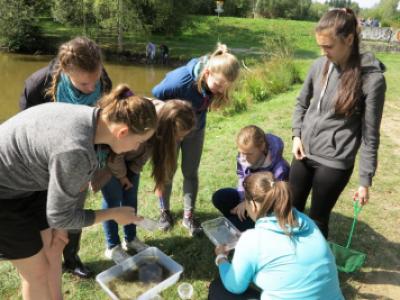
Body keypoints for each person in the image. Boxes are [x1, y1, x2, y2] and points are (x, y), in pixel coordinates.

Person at [0, 84, 157, 300]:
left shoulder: (93, 119)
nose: (135, 148)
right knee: (37, 274)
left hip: (29, 180)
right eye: (138, 142)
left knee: (53, 252)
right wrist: (113, 213)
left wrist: (63, 223)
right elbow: (60, 216)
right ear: (122, 132)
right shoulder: (76, 150)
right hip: (4, 195)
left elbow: (68, 182)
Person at [19, 36, 112, 278]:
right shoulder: (37, 85)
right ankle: (44, 262)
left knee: (74, 212)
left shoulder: (102, 78)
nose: (93, 88)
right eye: (83, 85)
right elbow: (25, 132)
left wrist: (91, 166)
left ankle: (71, 258)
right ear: (66, 69)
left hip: (81, 158)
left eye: (95, 81)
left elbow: (104, 122)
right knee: (46, 216)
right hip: (43, 163)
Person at [290, 8, 386, 238]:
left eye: (329, 47)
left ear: (349, 39)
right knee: (289, 211)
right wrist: (296, 135)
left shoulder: (372, 81)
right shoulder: (318, 65)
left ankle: (316, 270)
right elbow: (301, 103)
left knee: (317, 220)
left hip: (334, 162)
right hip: (303, 152)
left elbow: (370, 135)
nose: (323, 52)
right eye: (320, 46)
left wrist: (365, 181)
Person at [209, 172, 344, 300]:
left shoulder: (252, 241)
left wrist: (221, 258)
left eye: (245, 199)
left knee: (218, 289)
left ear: (254, 205)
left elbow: (235, 286)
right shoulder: (306, 221)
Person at [152, 43, 240, 235]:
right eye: (218, 84)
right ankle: (164, 212)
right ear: (207, 72)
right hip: (171, 132)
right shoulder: (180, 80)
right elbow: (155, 96)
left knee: (190, 172)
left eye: (225, 87)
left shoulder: (214, 83)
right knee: (167, 170)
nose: (220, 90)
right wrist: (170, 122)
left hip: (196, 130)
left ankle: (188, 216)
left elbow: (210, 95)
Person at [101, 99, 196, 262]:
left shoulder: (163, 128)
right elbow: (114, 153)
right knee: (113, 201)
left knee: (130, 199)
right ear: (168, 126)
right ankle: (112, 246)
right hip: (110, 161)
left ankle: (130, 239)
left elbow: (146, 153)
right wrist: (122, 176)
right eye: (178, 136)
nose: (179, 140)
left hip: (130, 161)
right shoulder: (143, 120)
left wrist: (132, 171)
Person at [212, 125, 290, 231]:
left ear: (262, 147)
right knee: (220, 197)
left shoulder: (280, 169)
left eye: (248, 154)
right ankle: (239, 219)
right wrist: (242, 199)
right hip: (250, 201)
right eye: (241, 153)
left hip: (266, 211)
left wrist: (247, 204)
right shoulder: (244, 156)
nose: (244, 158)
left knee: (232, 225)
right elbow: (241, 176)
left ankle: (246, 225)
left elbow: (273, 201)